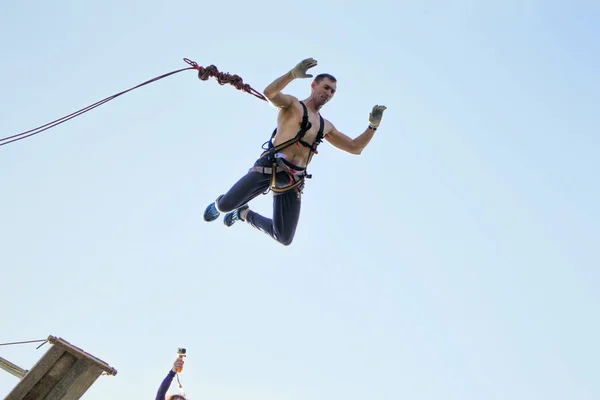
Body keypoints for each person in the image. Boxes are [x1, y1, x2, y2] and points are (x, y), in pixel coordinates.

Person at [203, 57, 387, 246]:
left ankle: (243, 213)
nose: (329, 93)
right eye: (325, 87)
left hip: (293, 182)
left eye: (332, 91)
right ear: (314, 85)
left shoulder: (326, 126)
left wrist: (372, 126)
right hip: (271, 167)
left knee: (284, 237)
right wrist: (292, 74)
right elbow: (270, 93)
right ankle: (221, 205)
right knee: (225, 205)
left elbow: (355, 148)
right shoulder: (292, 105)